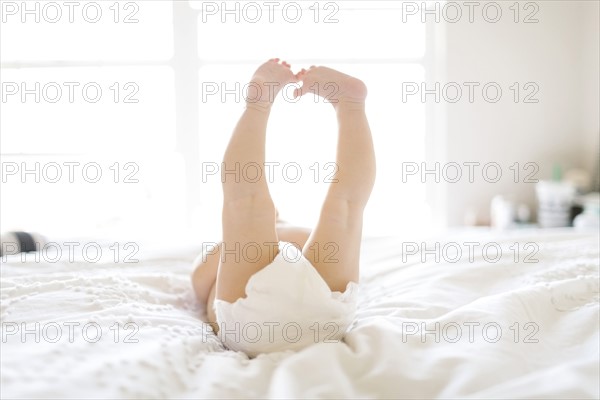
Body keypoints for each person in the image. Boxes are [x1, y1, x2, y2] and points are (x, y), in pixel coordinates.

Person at [191, 59, 376, 356]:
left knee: (246, 205)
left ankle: (260, 105)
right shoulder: (300, 238)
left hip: (258, 326)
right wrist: (279, 229)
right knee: (346, 207)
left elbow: (200, 282)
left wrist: (271, 229)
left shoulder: (242, 248)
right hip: (323, 321)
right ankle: (350, 105)